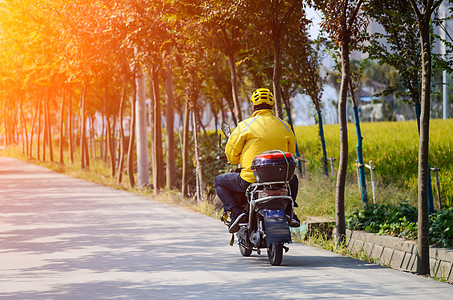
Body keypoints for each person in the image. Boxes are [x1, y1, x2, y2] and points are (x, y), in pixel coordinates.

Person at [214, 88, 300, 233]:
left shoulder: (245, 125)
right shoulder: (285, 126)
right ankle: (289, 211)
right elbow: (290, 153)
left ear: (253, 106)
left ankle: (236, 212)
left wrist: (236, 159)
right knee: (294, 180)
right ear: (272, 105)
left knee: (218, 181)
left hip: (251, 180)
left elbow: (231, 153)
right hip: (282, 180)